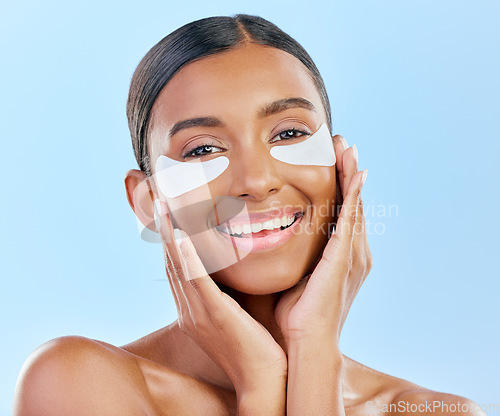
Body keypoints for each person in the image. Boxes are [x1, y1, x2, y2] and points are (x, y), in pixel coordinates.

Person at [13, 14, 484, 416]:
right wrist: (260, 384)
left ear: (340, 166)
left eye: (288, 133)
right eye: (203, 149)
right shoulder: (79, 385)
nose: (256, 181)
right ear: (147, 203)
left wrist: (314, 352)